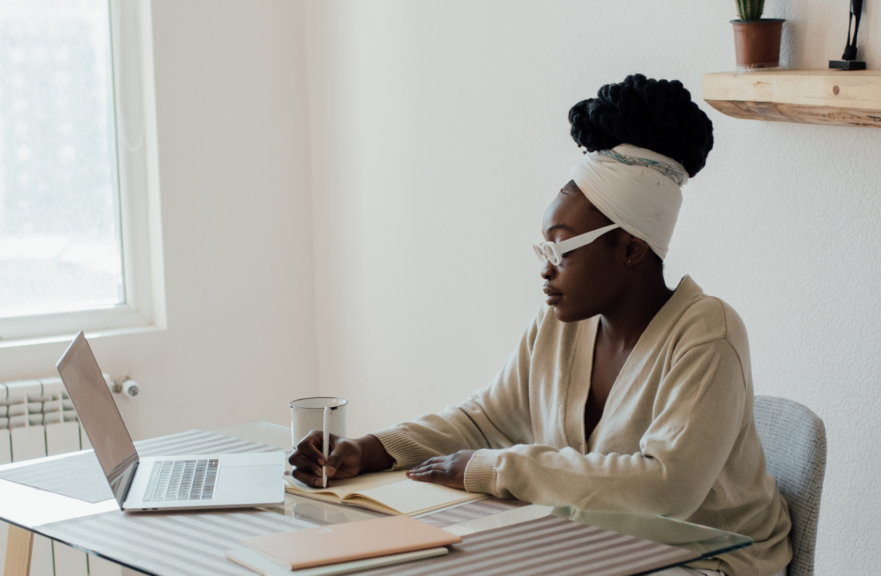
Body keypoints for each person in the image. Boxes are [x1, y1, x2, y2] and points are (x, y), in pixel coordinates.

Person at [290, 74, 792, 576]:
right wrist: (369, 450)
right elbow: (483, 421)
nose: (545, 268)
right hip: (600, 547)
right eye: (543, 248)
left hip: (711, 561)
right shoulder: (561, 326)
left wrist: (493, 468)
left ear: (631, 249)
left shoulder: (708, 333)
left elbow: (665, 489)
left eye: (561, 248)